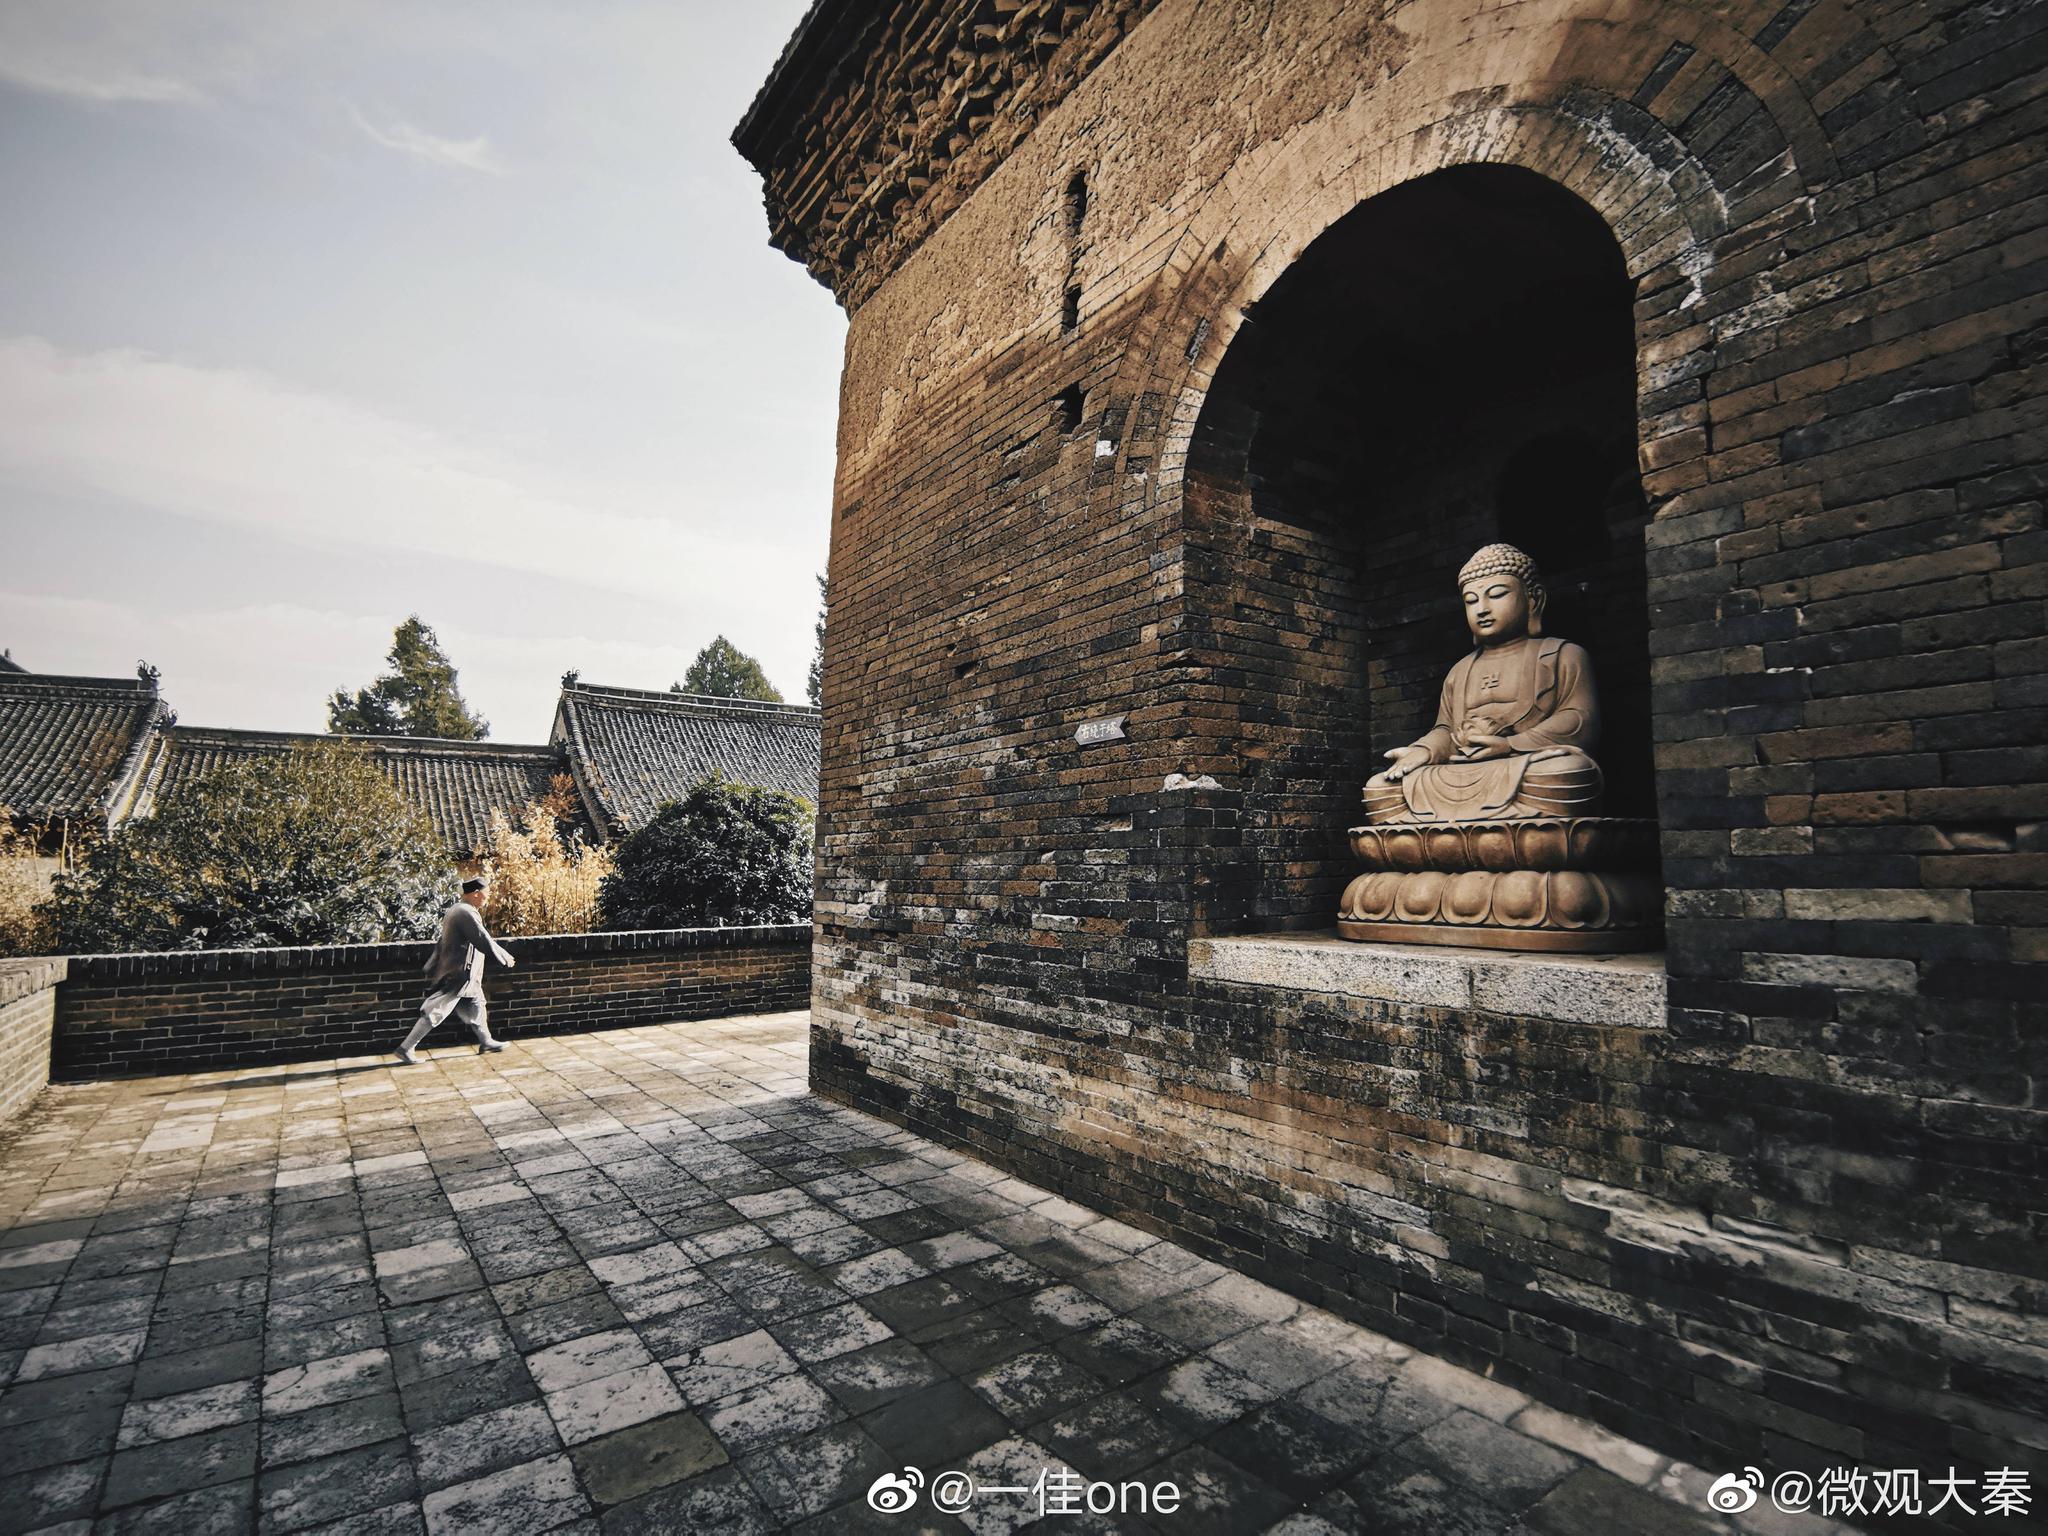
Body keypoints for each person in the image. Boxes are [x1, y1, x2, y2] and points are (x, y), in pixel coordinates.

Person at [1363, 543, 1604, 824]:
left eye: (1497, 595)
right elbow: (1446, 730)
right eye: (1471, 600)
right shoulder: (1461, 670)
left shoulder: (1561, 655)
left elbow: (1579, 720)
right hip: (1460, 772)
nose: (1482, 609)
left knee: (1569, 772)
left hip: (1524, 765)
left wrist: (1510, 745)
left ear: (1534, 600)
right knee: (1380, 788)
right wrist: (1423, 751)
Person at [394, 877, 515, 1063]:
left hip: (468, 975)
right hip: (458, 974)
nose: (488, 897)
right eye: (486, 894)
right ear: (476, 893)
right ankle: (406, 1048)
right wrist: (502, 957)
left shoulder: (460, 910)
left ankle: (486, 1041)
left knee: (477, 1007)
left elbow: (475, 938)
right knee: (436, 1009)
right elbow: (481, 938)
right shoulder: (464, 912)